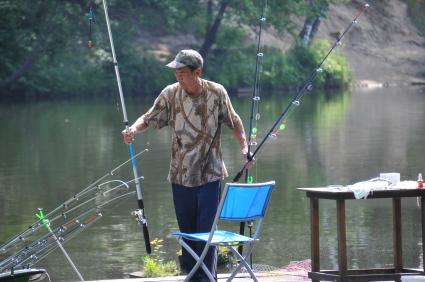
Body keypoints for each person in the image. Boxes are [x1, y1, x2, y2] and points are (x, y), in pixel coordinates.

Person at [122, 49, 253, 281]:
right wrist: (133, 129)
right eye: (176, 73)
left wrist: (244, 147)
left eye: (182, 73)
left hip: (210, 175)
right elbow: (148, 117)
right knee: (188, 233)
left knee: (206, 233)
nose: (178, 77)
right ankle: (192, 276)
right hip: (180, 176)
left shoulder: (216, 92)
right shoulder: (170, 94)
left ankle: (206, 277)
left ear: (197, 72)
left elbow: (234, 120)